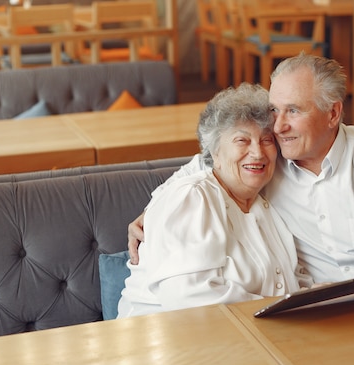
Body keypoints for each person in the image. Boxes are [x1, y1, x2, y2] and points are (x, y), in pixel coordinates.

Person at [128, 53, 354, 304]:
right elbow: (208, 162)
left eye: (293, 110)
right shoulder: (269, 161)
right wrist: (153, 211)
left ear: (333, 113)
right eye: (275, 110)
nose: (278, 126)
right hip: (316, 311)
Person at [117, 83, 312, 318]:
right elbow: (186, 299)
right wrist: (277, 312)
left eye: (267, 140)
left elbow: (290, 282)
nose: (258, 152)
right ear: (215, 153)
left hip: (246, 338)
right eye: (242, 141)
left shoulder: (267, 207)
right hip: (166, 341)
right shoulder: (192, 197)